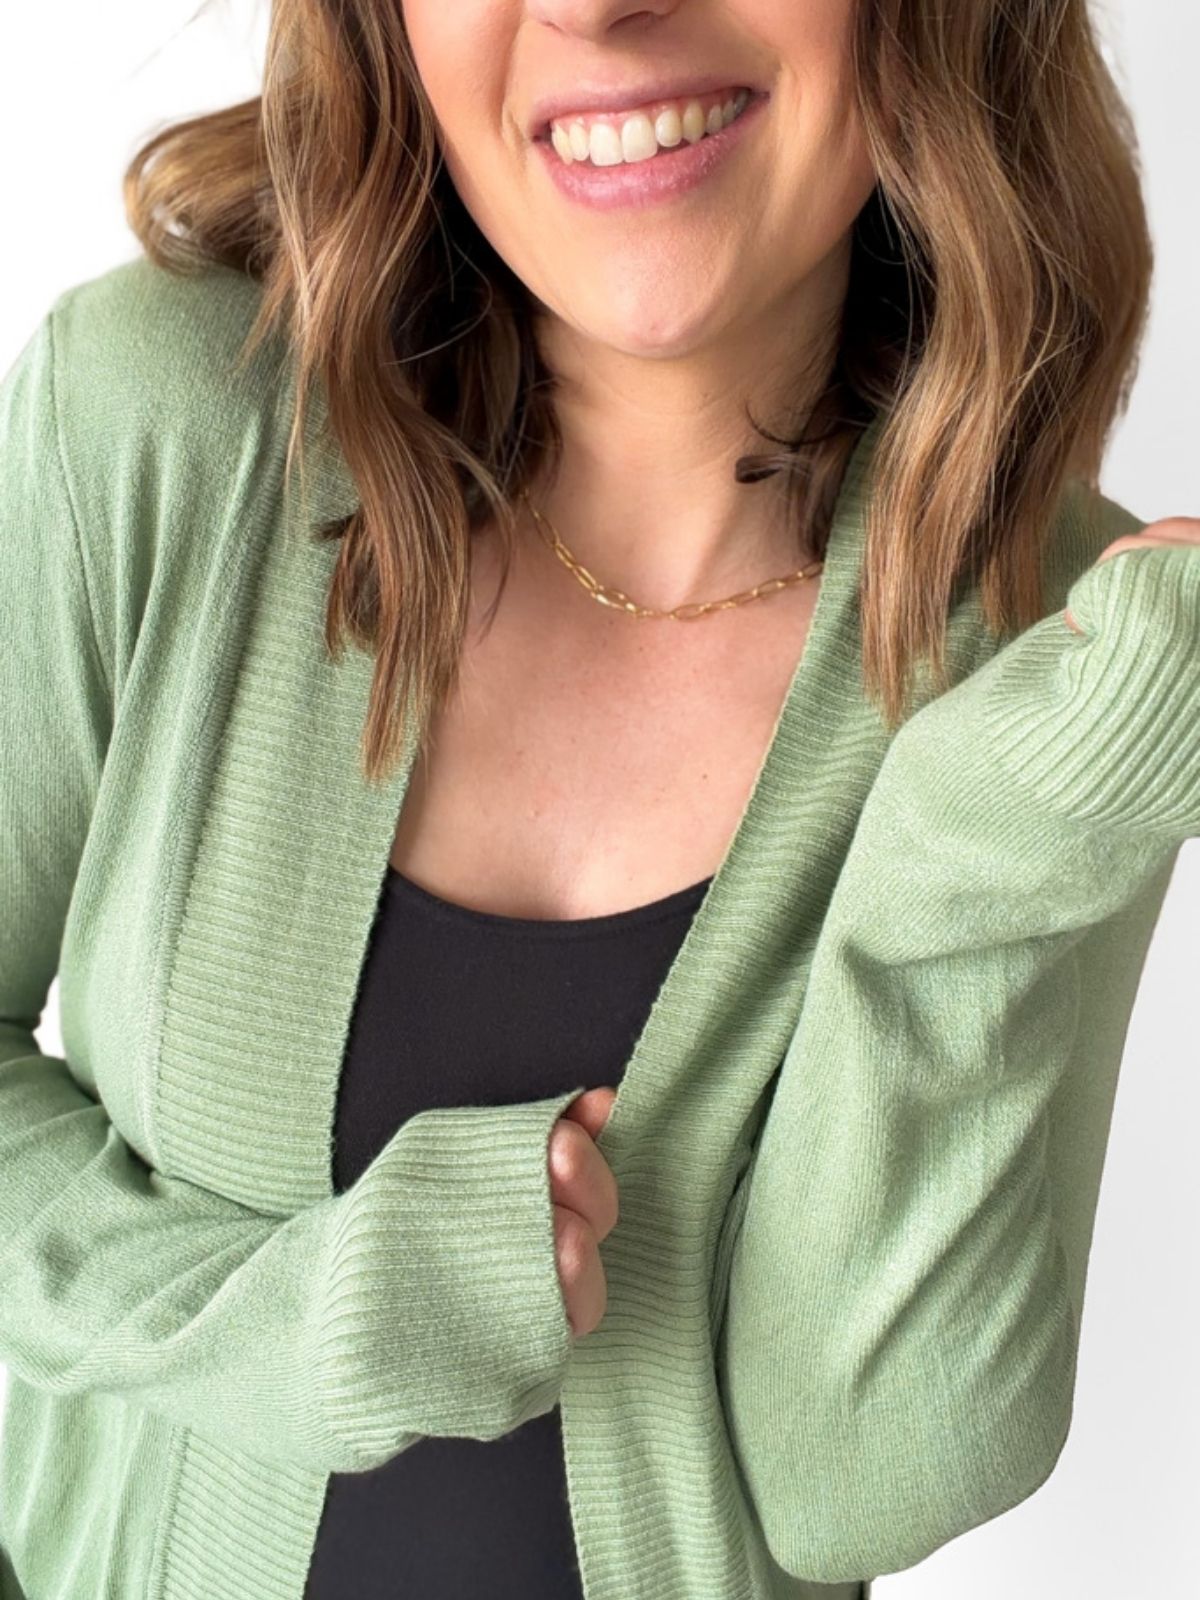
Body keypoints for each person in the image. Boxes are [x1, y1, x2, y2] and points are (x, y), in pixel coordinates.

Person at [0, 1, 1196, 1597]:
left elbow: (866, 1479)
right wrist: (311, 1321)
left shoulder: (1059, 649)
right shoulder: (158, 425)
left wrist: (994, 835)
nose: (594, 8)